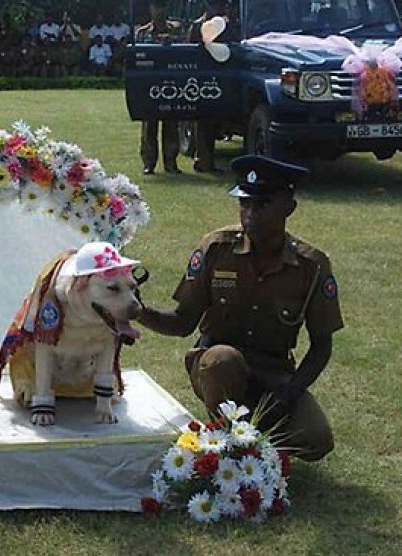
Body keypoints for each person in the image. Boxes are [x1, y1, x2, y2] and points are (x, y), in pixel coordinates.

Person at [137, 155, 341, 462]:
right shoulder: (217, 249)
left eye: (262, 205)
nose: (250, 214)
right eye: (244, 204)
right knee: (222, 361)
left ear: (289, 208)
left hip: (273, 375)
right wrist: (136, 310)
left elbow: (322, 345)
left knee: (315, 439)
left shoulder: (311, 266)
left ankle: (255, 439)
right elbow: (182, 323)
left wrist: (288, 394)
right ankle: (227, 441)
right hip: (217, 366)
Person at [188, 0, 236, 173]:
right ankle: (202, 160)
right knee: (202, 122)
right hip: (201, 78)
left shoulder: (227, 25)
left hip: (221, 77)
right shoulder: (197, 26)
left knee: (214, 123)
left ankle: (207, 159)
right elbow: (191, 51)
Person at [135, 0, 183, 175]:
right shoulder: (142, 32)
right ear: (150, 9)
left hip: (171, 82)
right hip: (150, 83)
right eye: (156, 6)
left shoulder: (176, 29)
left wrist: (170, 42)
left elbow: (184, 50)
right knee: (149, 126)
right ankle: (149, 163)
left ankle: (171, 162)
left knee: (171, 124)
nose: (159, 10)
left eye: (162, 6)